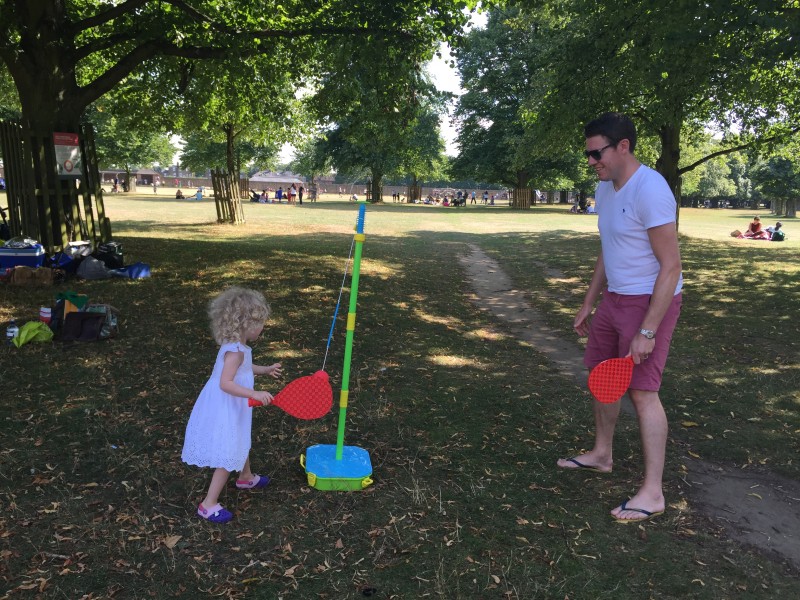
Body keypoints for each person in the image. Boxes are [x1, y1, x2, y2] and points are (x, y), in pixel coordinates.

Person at [559, 112, 683, 524]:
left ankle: (653, 492)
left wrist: (648, 329)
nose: (591, 160)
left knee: (642, 393)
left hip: (649, 301)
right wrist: (589, 301)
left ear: (623, 146)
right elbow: (608, 249)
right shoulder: (606, 189)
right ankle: (602, 454)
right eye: (588, 154)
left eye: (597, 153)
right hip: (614, 298)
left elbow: (671, 267)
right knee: (600, 376)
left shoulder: (651, 190)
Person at [181, 287, 283, 523]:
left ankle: (245, 477)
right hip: (225, 404)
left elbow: (245, 369)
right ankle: (208, 504)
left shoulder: (238, 348)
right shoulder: (235, 352)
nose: (262, 328)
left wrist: (265, 370)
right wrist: (254, 393)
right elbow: (226, 383)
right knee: (229, 451)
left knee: (240, 438)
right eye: (260, 323)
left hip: (232, 404)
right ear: (245, 324)